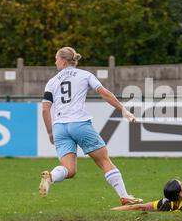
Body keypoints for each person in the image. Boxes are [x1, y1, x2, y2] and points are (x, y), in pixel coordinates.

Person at [39, 46, 142, 205]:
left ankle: (51, 176)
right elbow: (105, 93)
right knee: (103, 161)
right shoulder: (85, 75)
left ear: (64, 61)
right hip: (79, 123)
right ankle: (125, 196)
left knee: (69, 170)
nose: (55, 62)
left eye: (56, 59)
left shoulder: (52, 82)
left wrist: (50, 132)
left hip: (60, 127)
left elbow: (45, 110)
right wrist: (123, 110)